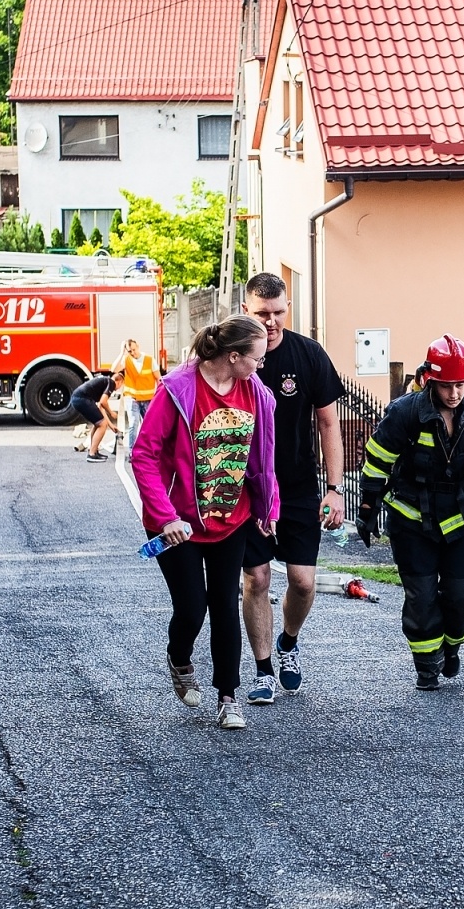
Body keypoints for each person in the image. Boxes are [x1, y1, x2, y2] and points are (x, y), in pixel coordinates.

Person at [130, 316, 279, 731]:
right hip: (178, 522)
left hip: (232, 518)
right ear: (233, 357)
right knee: (192, 608)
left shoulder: (257, 395)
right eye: (256, 359)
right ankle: (179, 657)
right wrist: (165, 517)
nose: (260, 366)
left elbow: (262, 459)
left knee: (225, 607)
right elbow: (144, 454)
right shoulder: (179, 389)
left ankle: (229, 697)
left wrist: (268, 509)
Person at [357, 335, 464, 690]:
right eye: (447, 386)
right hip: (412, 519)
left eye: (461, 384)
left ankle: (452, 646)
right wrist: (368, 508)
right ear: (430, 379)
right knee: (422, 597)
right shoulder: (405, 413)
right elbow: (378, 462)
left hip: (463, 519)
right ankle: (427, 665)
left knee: (462, 597)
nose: (455, 393)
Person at [238, 273, 346, 705]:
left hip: (298, 486)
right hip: (246, 488)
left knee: (302, 582)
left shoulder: (309, 355)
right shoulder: (234, 355)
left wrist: (335, 488)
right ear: (246, 309)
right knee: (257, 577)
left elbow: (328, 423)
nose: (272, 321)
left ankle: (287, 642)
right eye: (263, 313)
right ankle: (263, 669)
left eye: (279, 311)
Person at [69, 371, 121, 463]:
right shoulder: (111, 383)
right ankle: (92, 454)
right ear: (119, 382)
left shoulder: (104, 381)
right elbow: (103, 402)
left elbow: (100, 408)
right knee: (101, 424)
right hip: (82, 399)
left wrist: (111, 425)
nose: (119, 388)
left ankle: (93, 450)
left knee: (98, 423)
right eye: (121, 385)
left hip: (78, 398)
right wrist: (111, 412)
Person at [119, 338, 160, 448]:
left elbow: (158, 379)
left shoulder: (149, 360)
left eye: (133, 349)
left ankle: (150, 449)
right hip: (132, 398)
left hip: (148, 398)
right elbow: (114, 369)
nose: (132, 353)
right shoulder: (126, 360)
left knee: (149, 425)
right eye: (129, 351)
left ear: (138, 346)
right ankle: (133, 451)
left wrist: (159, 397)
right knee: (133, 423)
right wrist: (121, 354)